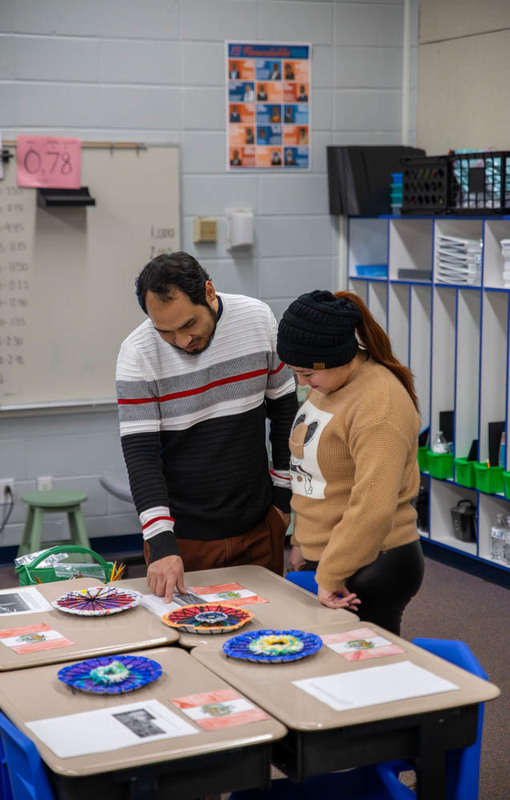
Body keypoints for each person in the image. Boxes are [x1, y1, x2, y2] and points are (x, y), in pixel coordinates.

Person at [116, 253, 298, 601]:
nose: (182, 340)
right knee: (184, 629)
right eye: (165, 332)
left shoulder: (257, 320)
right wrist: (161, 543)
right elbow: (141, 458)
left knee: (270, 627)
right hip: (184, 541)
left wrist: (283, 500)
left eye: (189, 325)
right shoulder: (137, 354)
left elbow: (285, 413)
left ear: (209, 292)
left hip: (260, 525)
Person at [276, 290, 424, 635]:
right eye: (296, 372)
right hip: (333, 555)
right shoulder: (329, 384)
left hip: (372, 561)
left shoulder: (379, 406)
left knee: (365, 660)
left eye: (306, 373)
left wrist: (330, 575)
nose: (302, 382)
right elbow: (311, 470)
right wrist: (301, 541)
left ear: (336, 358)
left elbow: (373, 509)